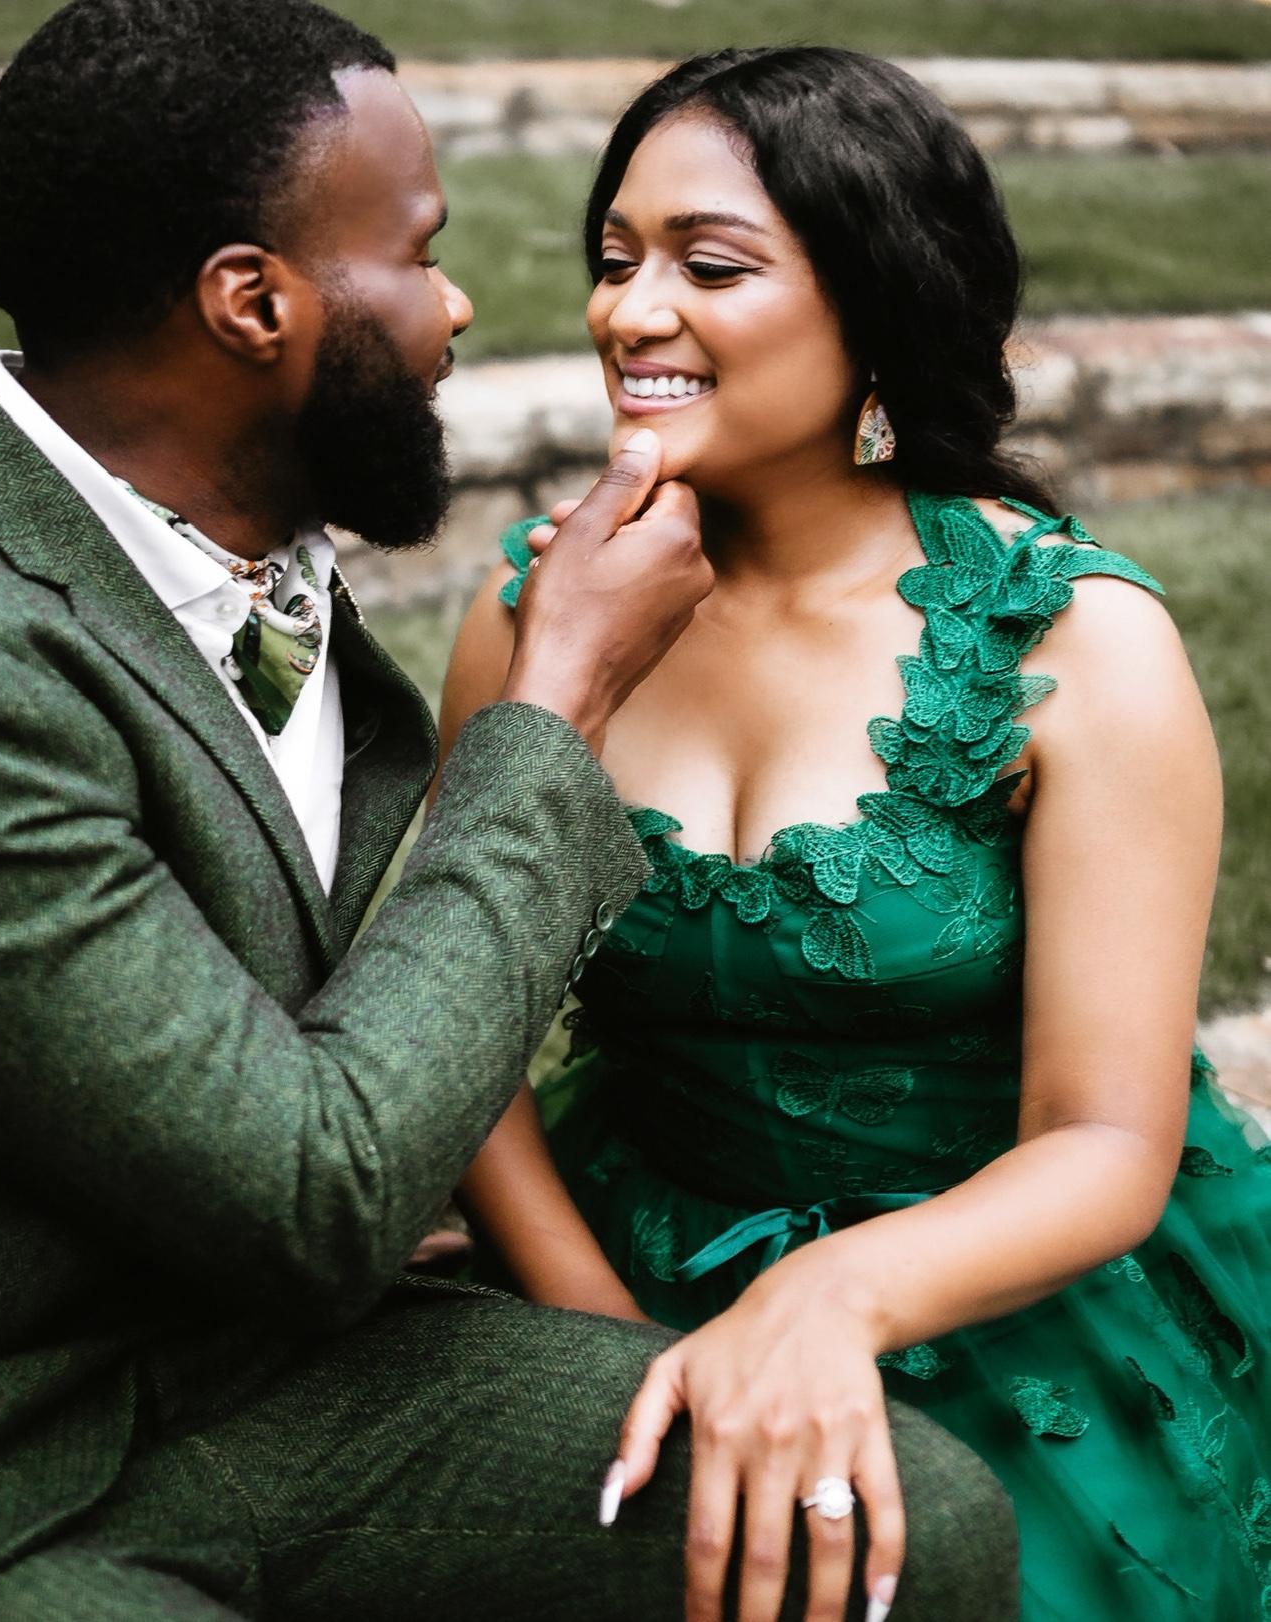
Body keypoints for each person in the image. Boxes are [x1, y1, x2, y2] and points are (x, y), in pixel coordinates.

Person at [0, 7, 1022, 1620]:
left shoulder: (225, 544)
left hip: (237, 1350)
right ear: (254, 303)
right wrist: (551, 707)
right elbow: (316, 1193)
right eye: (419, 256)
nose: (458, 307)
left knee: (889, 1528)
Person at [442, 45, 1271, 1622]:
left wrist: (827, 1296)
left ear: (873, 298)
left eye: (707, 266)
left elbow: (1103, 1139)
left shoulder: (1069, 645)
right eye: (613, 259)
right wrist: (606, 1348)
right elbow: (460, 1027)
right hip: (602, 1261)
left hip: (997, 1298)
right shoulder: (538, 615)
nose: (628, 312)